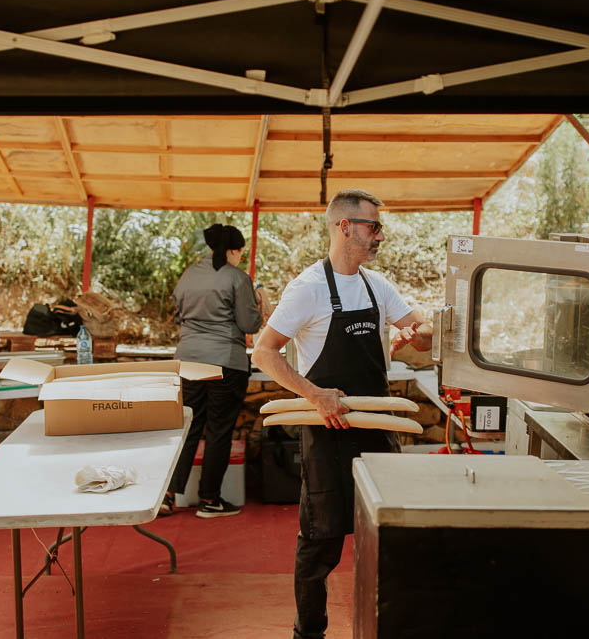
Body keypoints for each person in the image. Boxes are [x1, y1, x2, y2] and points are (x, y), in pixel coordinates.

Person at [251, 189, 432, 639]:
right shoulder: (308, 288)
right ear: (344, 227)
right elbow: (263, 353)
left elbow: (423, 332)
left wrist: (420, 332)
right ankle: (308, 632)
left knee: (387, 536)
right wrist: (315, 395)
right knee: (319, 546)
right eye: (373, 227)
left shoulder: (377, 285)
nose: (379, 236)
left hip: (378, 434)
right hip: (328, 434)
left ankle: (386, 625)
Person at [163, 223, 262, 518]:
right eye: (240, 254)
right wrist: (257, 304)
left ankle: (168, 495)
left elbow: (178, 314)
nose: (240, 259)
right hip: (225, 361)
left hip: (188, 360)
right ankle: (209, 500)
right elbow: (249, 325)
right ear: (233, 250)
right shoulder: (237, 278)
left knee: (189, 426)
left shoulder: (189, 274)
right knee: (219, 429)